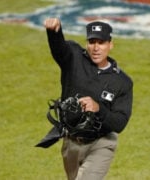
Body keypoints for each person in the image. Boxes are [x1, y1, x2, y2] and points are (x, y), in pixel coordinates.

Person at [43, 18, 133, 180]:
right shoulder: (74, 58)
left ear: (110, 44)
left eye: (101, 42)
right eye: (92, 42)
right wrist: (54, 32)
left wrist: (99, 108)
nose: (96, 48)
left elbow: (120, 123)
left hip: (101, 143)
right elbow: (59, 50)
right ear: (86, 43)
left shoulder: (122, 82)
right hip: (71, 143)